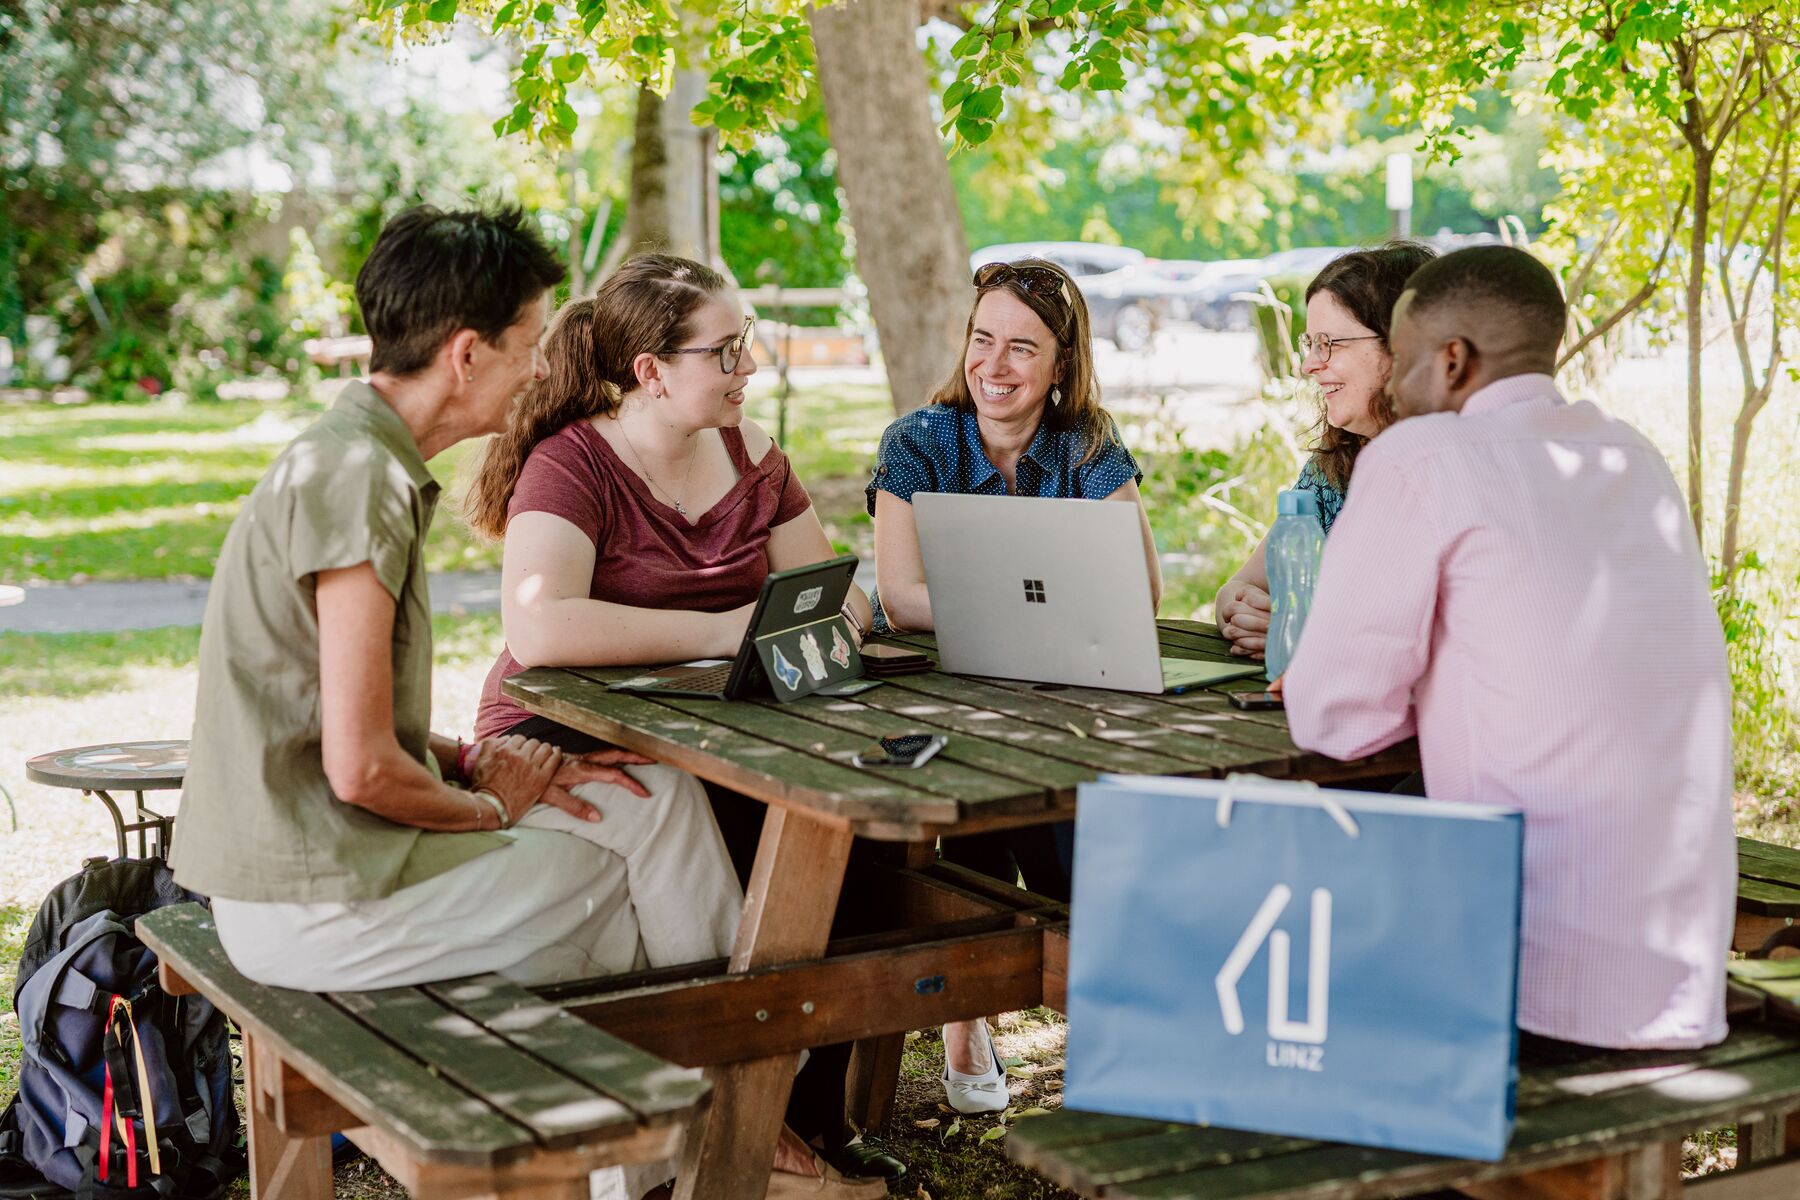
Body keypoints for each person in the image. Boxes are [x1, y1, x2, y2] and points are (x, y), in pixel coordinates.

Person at [171, 205, 751, 1200]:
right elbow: (357, 767)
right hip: (312, 907)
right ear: (467, 353)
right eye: (529, 347)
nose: (541, 371)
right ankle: (697, 1151)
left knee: (646, 802)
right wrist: (490, 806)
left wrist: (471, 757)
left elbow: (329, 722)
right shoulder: (362, 485)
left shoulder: (346, 457)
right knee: (616, 910)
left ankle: (677, 1153)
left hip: (301, 871)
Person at [462, 255, 887, 1197]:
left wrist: (835, 616)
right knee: (739, 837)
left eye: (748, 343)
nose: (750, 365)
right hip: (568, 743)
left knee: (851, 844)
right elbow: (538, 628)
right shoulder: (572, 462)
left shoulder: (753, 453)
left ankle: (792, 1121)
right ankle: (750, 1133)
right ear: (651, 371)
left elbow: (825, 591)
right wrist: (721, 630)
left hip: (723, 735)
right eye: (726, 349)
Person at [1280, 244, 1734, 1050]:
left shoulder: (1421, 457)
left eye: (1407, 362)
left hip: (1532, 970)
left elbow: (1329, 718)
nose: (1398, 389)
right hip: (1680, 971)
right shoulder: (1635, 455)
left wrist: (1436, 682)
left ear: (1452, 361)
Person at [864, 257, 1158, 1113]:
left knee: (1077, 840)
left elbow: (1139, 593)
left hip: (1061, 695)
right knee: (967, 831)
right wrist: (1047, 615)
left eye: (1022, 348)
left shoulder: (1088, 444)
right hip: (938, 690)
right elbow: (900, 598)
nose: (994, 365)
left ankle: (1101, 1031)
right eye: (982, 339)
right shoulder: (917, 441)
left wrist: (1008, 619)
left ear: (1061, 366)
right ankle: (966, 1022)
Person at [1215, 242, 1437, 658]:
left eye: (1330, 344)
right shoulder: (1334, 467)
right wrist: (1243, 611)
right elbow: (1240, 585)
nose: (1309, 365)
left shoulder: (1455, 470)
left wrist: (1304, 632)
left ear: (1400, 347)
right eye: (1311, 343)